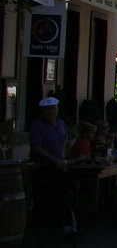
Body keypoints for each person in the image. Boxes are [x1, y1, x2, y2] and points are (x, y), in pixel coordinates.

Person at [28, 97, 75, 235]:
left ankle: (66, 225)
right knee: (47, 196)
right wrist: (55, 160)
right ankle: (47, 226)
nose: (51, 112)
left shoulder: (61, 124)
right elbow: (36, 148)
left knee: (67, 192)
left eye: (53, 109)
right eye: (48, 110)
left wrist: (65, 158)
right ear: (43, 111)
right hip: (42, 166)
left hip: (59, 166)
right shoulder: (37, 126)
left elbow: (64, 141)